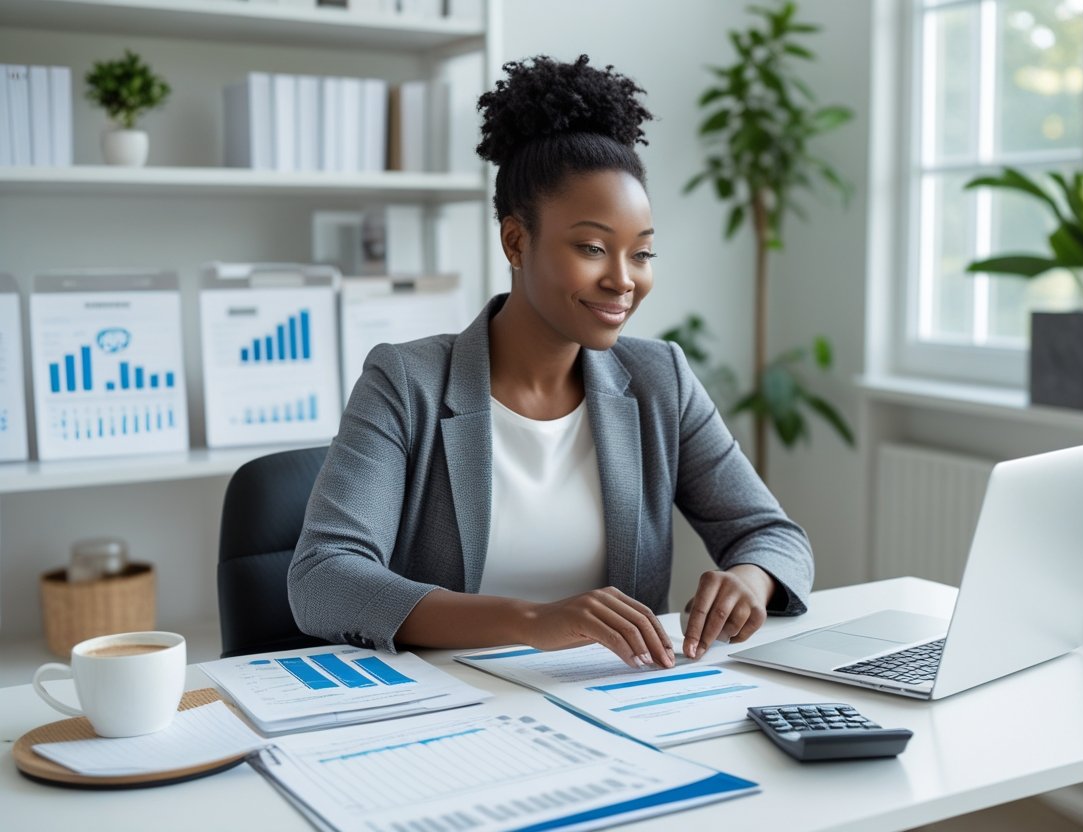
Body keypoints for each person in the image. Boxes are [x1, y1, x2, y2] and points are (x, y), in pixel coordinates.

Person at [288, 55, 813, 670]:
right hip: (450, 710)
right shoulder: (407, 382)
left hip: (615, 703)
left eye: (641, 254)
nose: (623, 280)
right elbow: (324, 579)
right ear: (516, 241)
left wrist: (751, 579)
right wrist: (533, 621)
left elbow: (775, 537)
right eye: (592, 247)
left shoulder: (659, 379)